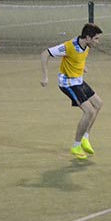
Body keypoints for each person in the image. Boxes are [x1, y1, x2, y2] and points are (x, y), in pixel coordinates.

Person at [40, 23, 104, 160]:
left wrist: (83, 66)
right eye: (96, 39)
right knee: (89, 111)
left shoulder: (86, 45)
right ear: (87, 37)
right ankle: (76, 145)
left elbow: (78, 58)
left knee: (98, 104)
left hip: (78, 80)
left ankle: (85, 137)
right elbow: (45, 54)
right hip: (68, 83)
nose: (98, 42)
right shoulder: (68, 46)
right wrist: (45, 76)